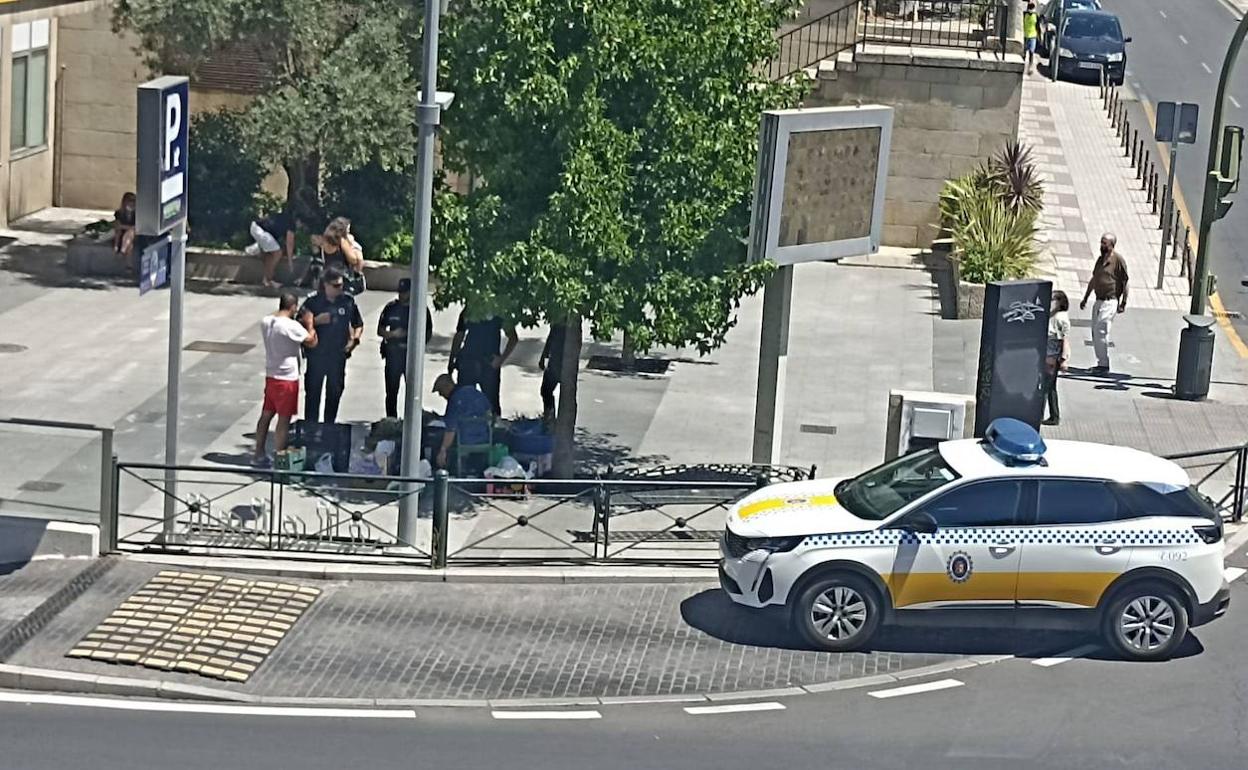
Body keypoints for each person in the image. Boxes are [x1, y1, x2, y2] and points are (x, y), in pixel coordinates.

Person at [253, 292, 319, 466]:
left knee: (266, 415)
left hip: (271, 375)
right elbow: (311, 341)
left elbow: (275, 316)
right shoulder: (292, 326)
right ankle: (280, 458)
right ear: (293, 307)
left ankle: (258, 453)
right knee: (284, 419)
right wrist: (310, 323)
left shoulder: (267, 322)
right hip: (287, 378)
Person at [299, 268, 364, 426]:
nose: (339, 289)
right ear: (326, 285)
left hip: (338, 355)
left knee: (334, 393)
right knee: (313, 393)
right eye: (335, 286)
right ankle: (311, 428)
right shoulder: (313, 302)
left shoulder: (347, 301)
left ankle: (329, 427)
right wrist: (316, 321)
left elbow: (358, 324)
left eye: (341, 285)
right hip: (317, 355)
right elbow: (298, 326)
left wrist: (354, 340)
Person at [377, 278, 434, 418]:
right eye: (400, 292)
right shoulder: (391, 307)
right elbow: (380, 330)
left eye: (405, 292)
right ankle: (392, 420)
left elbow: (427, 333)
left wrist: (413, 338)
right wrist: (392, 334)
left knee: (413, 393)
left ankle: (411, 422)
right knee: (391, 392)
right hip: (393, 355)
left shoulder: (420, 309)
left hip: (411, 356)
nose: (402, 295)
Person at [449, 310, 519, 417]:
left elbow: (513, 338)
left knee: (492, 404)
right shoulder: (470, 309)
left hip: (488, 364)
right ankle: (464, 429)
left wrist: (500, 360)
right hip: (469, 361)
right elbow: (460, 334)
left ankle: (492, 430)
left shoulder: (500, 310)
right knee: (464, 401)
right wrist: (452, 360)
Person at [1080, 233, 1129, 375]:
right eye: (1101, 243)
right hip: (1098, 300)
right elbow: (1094, 279)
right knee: (1095, 333)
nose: (1102, 246)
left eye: (1105, 243)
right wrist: (1085, 297)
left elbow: (1125, 282)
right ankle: (1100, 362)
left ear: (1112, 245)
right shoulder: (1100, 260)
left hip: (1110, 301)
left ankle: (1103, 365)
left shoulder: (1118, 261)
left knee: (1101, 330)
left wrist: (1124, 302)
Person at [431, 372, 493, 470]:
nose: (440, 395)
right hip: (484, 437)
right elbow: (489, 413)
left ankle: (441, 470)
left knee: (435, 438)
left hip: (463, 440)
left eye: (441, 391)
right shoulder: (474, 392)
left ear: (447, 387)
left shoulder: (454, 402)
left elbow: (450, 430)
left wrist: (443, 450)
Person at [246, 208, 301, 288]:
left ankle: (265, 278)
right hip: (260, 230)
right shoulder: (291, 224)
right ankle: (269, 280)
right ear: (298, 220)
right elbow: (290, 243)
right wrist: (290, 262)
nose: (300, 227)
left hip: (255, 227)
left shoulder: (284, 217)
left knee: (271, 254)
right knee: (277, 253)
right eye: (301, 224)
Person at [1043, 290, 1071, 427]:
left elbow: (1063, 340)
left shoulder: (1060, 318)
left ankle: (1045, 415)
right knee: (1049, 387)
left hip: (1051, 357)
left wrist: (1063, 358)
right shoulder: (1055, 315)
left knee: (1046, 386)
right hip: (1049, 354)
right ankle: (1053, 416)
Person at [538, 322, 567, 423]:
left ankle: (550, 418)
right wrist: (543, 356)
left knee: (546, 390)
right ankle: (550, 417)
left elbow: (551, 339)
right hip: (555, 361)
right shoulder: (557, 323)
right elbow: (550, 338)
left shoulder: (565, 324)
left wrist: (544, 356)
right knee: (546, 390)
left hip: (558, 362)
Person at [112, 192, 136, 262]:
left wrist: (125, 227)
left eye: (133, 201)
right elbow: (117, 225)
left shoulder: (137, 213)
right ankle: (116, 247)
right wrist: (127, 227)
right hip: (122, 232)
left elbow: (136, 227)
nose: (131, 203)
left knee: (129, 233)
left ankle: (122, 251)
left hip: (134, 233)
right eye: (129, 201)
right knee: (119, 231)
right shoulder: (119, 213)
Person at [1023, 2, 1039, 75]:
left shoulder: (1036, 16)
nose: (1031, 10)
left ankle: (1030, 67)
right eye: (1030, 8)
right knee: (1023, 53)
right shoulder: (1024, 14)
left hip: (1033, 36)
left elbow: (1037, 26)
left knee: (1031, 52)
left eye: (1032, 8)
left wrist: (1039, 36)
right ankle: (1022, 66)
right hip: (1025, 36)